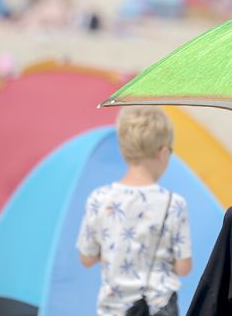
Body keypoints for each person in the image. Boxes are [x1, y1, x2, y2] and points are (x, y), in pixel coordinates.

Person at [77, 107, 192, 316]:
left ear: (124, 150)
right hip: (159, 308)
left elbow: (86, 258)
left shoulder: (99, 199)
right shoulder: (173, 203)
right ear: (163, 152)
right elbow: (184, 267)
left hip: (113, 309)